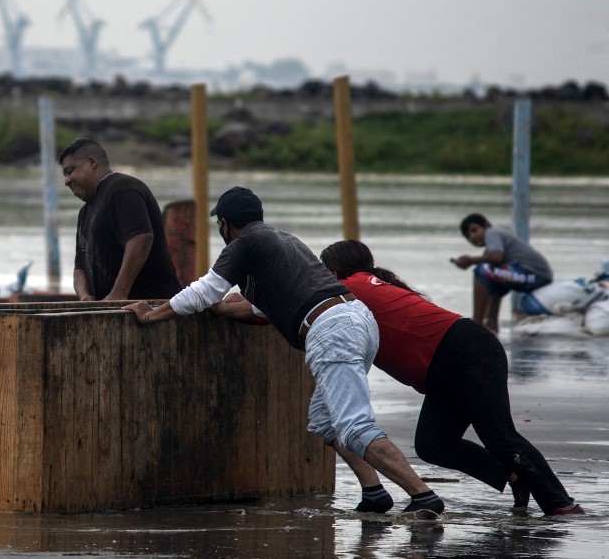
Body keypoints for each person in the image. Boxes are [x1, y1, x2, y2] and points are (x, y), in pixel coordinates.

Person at [122, 186, 445, 515]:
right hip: (355, 319)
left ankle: (422, 496)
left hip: (331, 330)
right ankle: (374, 492)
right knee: (324, 421)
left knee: (355, 427)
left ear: (225, 223)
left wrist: (151, 314)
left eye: (220, 224)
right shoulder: (282, 241)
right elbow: (259, 309)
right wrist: (219, 308)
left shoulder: (245, 242)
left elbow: (204, 291)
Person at [320, 239, 583, 516]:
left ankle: (561, 504)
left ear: (335, 274)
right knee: (434, 444)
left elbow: (306, 304)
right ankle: (514, 476)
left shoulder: (349, 289)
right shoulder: (372, 284)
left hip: (466, 352)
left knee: (500, 438)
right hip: (446, 365)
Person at [60, 138, 181, 301]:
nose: (66, 181)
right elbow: (80, 268)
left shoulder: (122, 188)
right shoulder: (85, 212)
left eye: (70, 171)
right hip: (111, 308)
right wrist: (85, 296)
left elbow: (141, 239)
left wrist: (118, 294)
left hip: (151, 308)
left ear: (91, 162)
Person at [452, 213, 553, 333]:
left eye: (474, 230)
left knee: (482, 270)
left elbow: (496, 257)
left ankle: (476, 325)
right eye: (468, 236)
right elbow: (494, 262)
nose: (472, 236)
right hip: (535, 276)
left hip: (535, 275)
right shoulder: (490, 247)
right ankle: (491, 324)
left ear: (486, 225)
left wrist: (470, 260)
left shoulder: (492, 232)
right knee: (492, 279)